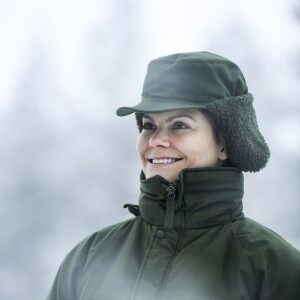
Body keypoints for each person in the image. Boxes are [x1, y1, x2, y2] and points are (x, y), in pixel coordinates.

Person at [46, 51, 300, 300]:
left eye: (180, 125)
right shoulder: (90, 255)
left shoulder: (275, 270)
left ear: (225, 142)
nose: (156, 140)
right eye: (149, 126)